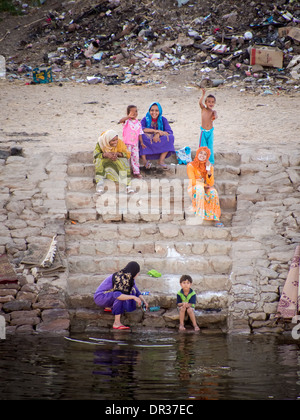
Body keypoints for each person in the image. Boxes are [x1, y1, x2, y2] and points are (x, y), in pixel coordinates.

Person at [94, 261, 149, 330]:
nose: (137, 274)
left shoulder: (129, 277)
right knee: (121, 296)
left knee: (130, 293)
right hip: (100, 297)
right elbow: (117, 295)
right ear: (134, 272)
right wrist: (133, 297)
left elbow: (137, 291)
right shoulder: (120, 278)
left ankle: (109, 307)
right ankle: (116, 323)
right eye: (137, 273)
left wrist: (144, 301)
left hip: (108, 296)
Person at [187, 146, 223, 226]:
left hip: (206, 186)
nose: (202, 156)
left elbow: (211, 183)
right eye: (200, 153)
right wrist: (203, 185)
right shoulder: (191, 165)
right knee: (200, 189)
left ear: (207, 157)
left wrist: (208, 170)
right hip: (194, 187)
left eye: (205, 154)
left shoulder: (209, 167)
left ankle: (216, 218)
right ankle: (199, 216)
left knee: (213, 192)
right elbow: (193, 181)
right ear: (197, 154)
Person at [93, 129, 134, 193]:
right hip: (105, 161)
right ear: (107, 140)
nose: (115, 142)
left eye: (116, 139)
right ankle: (100, 184)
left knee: (124, 161)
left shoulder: (120, 142)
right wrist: (106, 154)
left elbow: (127, 154)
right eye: (113, 140)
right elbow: (95, 155)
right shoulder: (101, 142)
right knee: (98, 160)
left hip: (115, 161)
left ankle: (127, 185)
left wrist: (118, 154)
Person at [140, 102, 175, 170]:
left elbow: (169, 131)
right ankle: (144, 160)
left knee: (170, 137)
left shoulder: (163, 119)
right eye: (152, 110)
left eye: (156, 110)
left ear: (160, 111)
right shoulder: (145, 119)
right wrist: (155, 131)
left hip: (158, 139)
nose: (154, 112)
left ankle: (161, 160)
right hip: (148, 140)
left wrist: (158, 134)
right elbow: (141, 129)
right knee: (141, 137)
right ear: (149, 111)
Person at [118, 105, 145, 179]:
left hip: (135, 145)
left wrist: (141, 142)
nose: (134, 113)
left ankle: (136, 172)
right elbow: (120, 121)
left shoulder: (138, 123)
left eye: (136, 111)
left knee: (135, 159)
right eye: (132, 112)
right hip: (127, 144)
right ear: (128, 113)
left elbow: (140, 134)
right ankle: (125, 173)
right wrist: (128, 117)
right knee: (126, 158)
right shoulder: (126, 121)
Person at [199, 88, 217, 165]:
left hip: (210, 132)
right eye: (209, 101)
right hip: (203, 132)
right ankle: (201, 161)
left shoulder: (213, 112)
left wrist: (214, 117)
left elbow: (216, 116)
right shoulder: (203, 109)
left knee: (210, 147)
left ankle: (210, 162)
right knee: (203, 147)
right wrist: (203, 95)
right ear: (205, 102)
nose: (211, 103)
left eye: (213, 102)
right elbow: (200, 102)